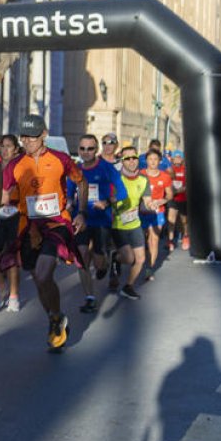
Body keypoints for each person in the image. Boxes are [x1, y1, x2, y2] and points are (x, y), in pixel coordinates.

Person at [1, 114, 85, 351]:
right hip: (28, 228)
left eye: (32, 137)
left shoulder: (61, 159)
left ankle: (56, 317)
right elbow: (6, 194)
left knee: (44, 272)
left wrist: (81, 213)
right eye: (24, 137)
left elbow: (81, 182)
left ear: (44, 135)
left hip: (57, 224)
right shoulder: (15, 165)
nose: (27, 141)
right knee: (38, 278)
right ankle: (55, 318)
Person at [76, 133, 126, 314]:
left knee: (98, 262)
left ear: (96, 150)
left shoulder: (106, 168)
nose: (86, 152)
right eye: (82, 148)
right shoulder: (75, 169)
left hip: (101, 220)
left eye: (90, 148)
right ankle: (90, 297)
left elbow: (122, 192)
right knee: (81, 256)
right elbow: (66, 190)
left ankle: (107, 263)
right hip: (81, 219)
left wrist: (106, 202)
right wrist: (66, 202)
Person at [111, 146, 153, 298]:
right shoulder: (116, 179)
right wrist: (111, 200)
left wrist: (152, 204)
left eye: (134, 158)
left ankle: (128, 287)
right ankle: (115, 259)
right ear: (122, 161)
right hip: (118, 225)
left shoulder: (143, 179)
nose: (131, 161)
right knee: (129, 259)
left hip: (135, 223)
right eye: (127, 158)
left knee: (140, 259)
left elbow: (147, 200)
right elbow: (109, 198)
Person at [0, 134, 21, 312]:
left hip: (16, 216)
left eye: (9, 146)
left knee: (11, 258)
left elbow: (8, 196)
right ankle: (2, 288)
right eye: (3, 146)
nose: (5, 149)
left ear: (16, 149)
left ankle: (14, 296)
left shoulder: (20, 166)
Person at [140, 149, 171, 279]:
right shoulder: (140, 174)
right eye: (150, 159)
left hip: (158, 212)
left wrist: (163, 200)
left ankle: (150, 269)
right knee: (141, 241)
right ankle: (140, 262)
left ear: (160, 161)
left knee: (154, 239)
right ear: (146, 161)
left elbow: (170, 193)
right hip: (141, 211)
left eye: (155, 159)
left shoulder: (165, 176)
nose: (152, 162)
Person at [166, 150, 188, 251]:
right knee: (171, 219)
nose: (177, 159)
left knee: (184, 220)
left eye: (179, 157)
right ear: (173, 159)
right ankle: (170, 241)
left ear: (182, 159)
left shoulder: (186, 169)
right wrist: (172, 190)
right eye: (176, 157)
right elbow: (167, 182)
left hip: (183, 198)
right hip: (173, 198)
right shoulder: (170, 169)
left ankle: (186, 236)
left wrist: (183, 189)